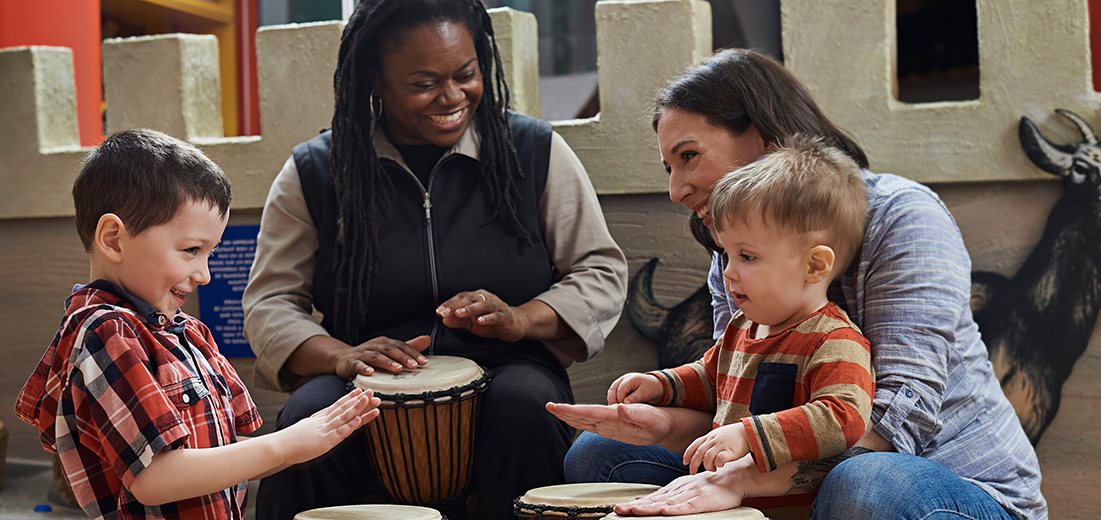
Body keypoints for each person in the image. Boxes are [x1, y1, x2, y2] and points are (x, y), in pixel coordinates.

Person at [547, 49, 1047, 520]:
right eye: (669, 167)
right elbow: (744, 406)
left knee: (865, 486)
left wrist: (741, 479)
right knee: (602, 454)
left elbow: (897, 425)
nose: (676, 190)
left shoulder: (902, 215)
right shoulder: (734, 253)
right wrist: (667, 424)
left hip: (952, 484)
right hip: (807, 470)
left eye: (690, 156)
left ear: (764, 137)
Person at [240, 1, 627, 519]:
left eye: (466, 74)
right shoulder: (317, 171)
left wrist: (522, 319)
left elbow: (598, 270)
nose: (452, 97)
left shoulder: (532, 151)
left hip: (512, 367)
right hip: (363, 374)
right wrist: (338, 355)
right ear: (375, 81)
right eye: (423, 83)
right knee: (310, 415)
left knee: (526, 402)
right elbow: (270, 302)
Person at [14, 128, 381, 520]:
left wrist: (317, 436)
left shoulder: (187, 331)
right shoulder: (107, 333)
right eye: (191, 250)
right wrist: (287, 445)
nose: (204, 275)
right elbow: (154, 477)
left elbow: (231, 448)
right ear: (114, 240)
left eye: (209, 253)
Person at [606, 136, 874, 517]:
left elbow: (842, 416)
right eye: (727, 254)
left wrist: (747, 435)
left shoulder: (835, 340)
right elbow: (709, 377)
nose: (729, 272)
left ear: (815, 265)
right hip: (723, 504)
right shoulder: (742, 327)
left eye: (747, 256)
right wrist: (661, 385)